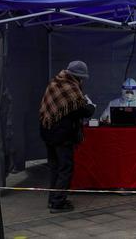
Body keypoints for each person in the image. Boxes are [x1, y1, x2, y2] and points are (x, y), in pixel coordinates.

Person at [39, 60, 95, 213]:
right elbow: (82, 111)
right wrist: (91, 106)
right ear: (77, 76)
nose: (82, 81)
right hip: (62, 135)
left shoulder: (55, 82)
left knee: (55, 167)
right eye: (82, 78)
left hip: (47, 131)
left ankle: (53, 199)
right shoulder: (71, 88)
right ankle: (58, 203)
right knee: (65, 168)